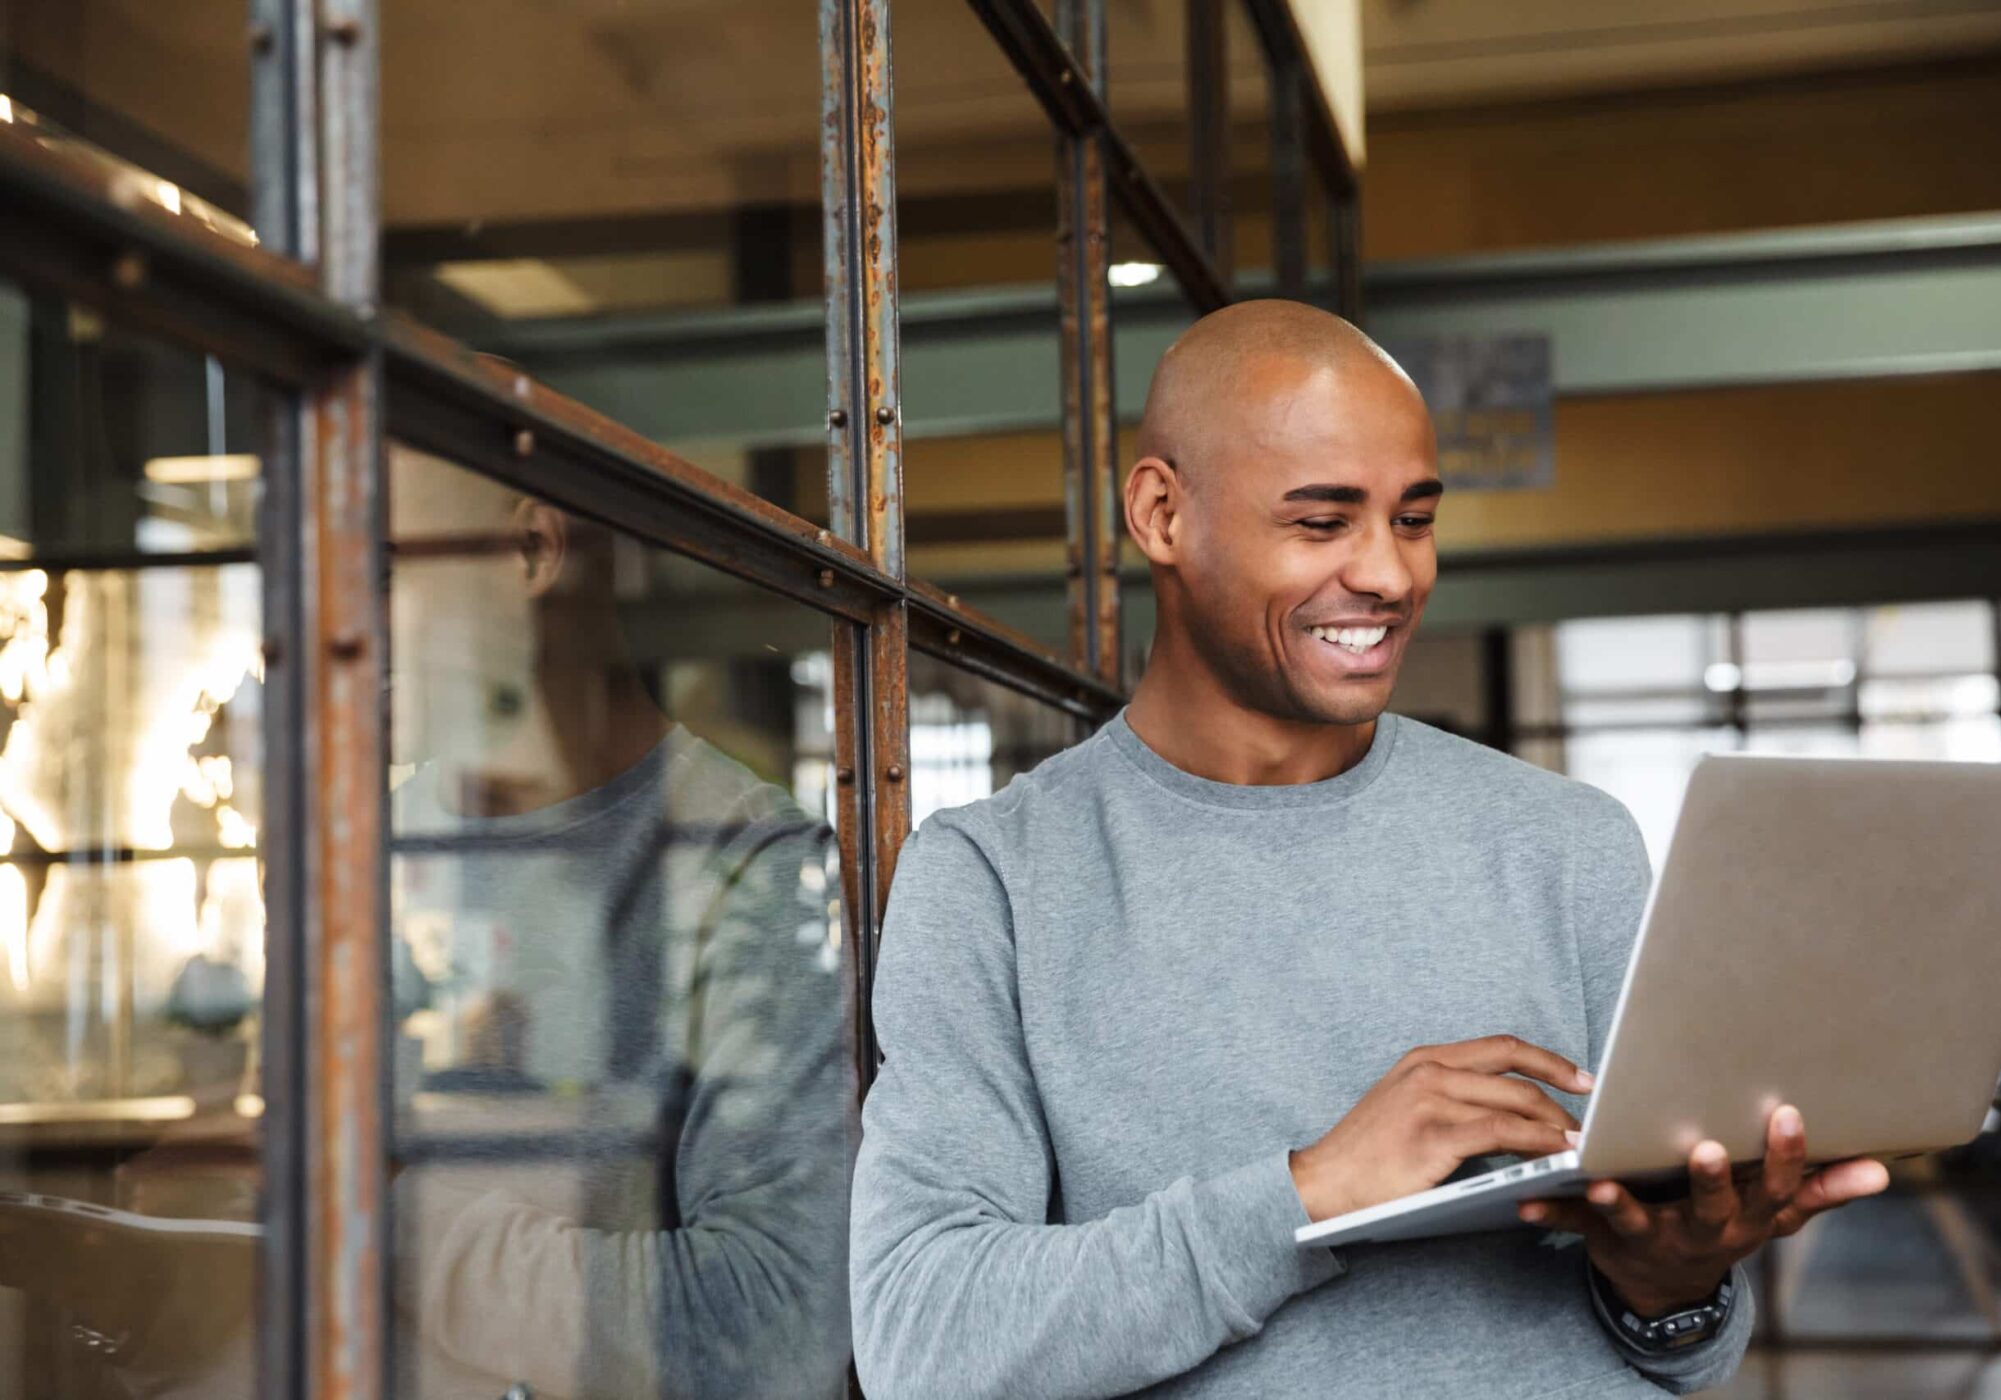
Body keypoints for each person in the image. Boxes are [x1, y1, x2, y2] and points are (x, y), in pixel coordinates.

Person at [849, 301, 1891, 1398]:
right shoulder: (994, 878)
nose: (1390, 576)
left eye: (1413, 518)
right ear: (1161, 512)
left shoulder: (1568, 843)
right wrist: (1313, 1191)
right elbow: (927, 1336)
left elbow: (1685, 1346)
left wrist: (1673, 1281)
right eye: (1322, 521)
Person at [383, 449, 854, 1399]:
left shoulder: (754, 869)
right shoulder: (362, 848)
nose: (324, 621)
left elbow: (773, 1332)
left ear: (530, 550)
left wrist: (376, 1222)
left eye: (377, 572)